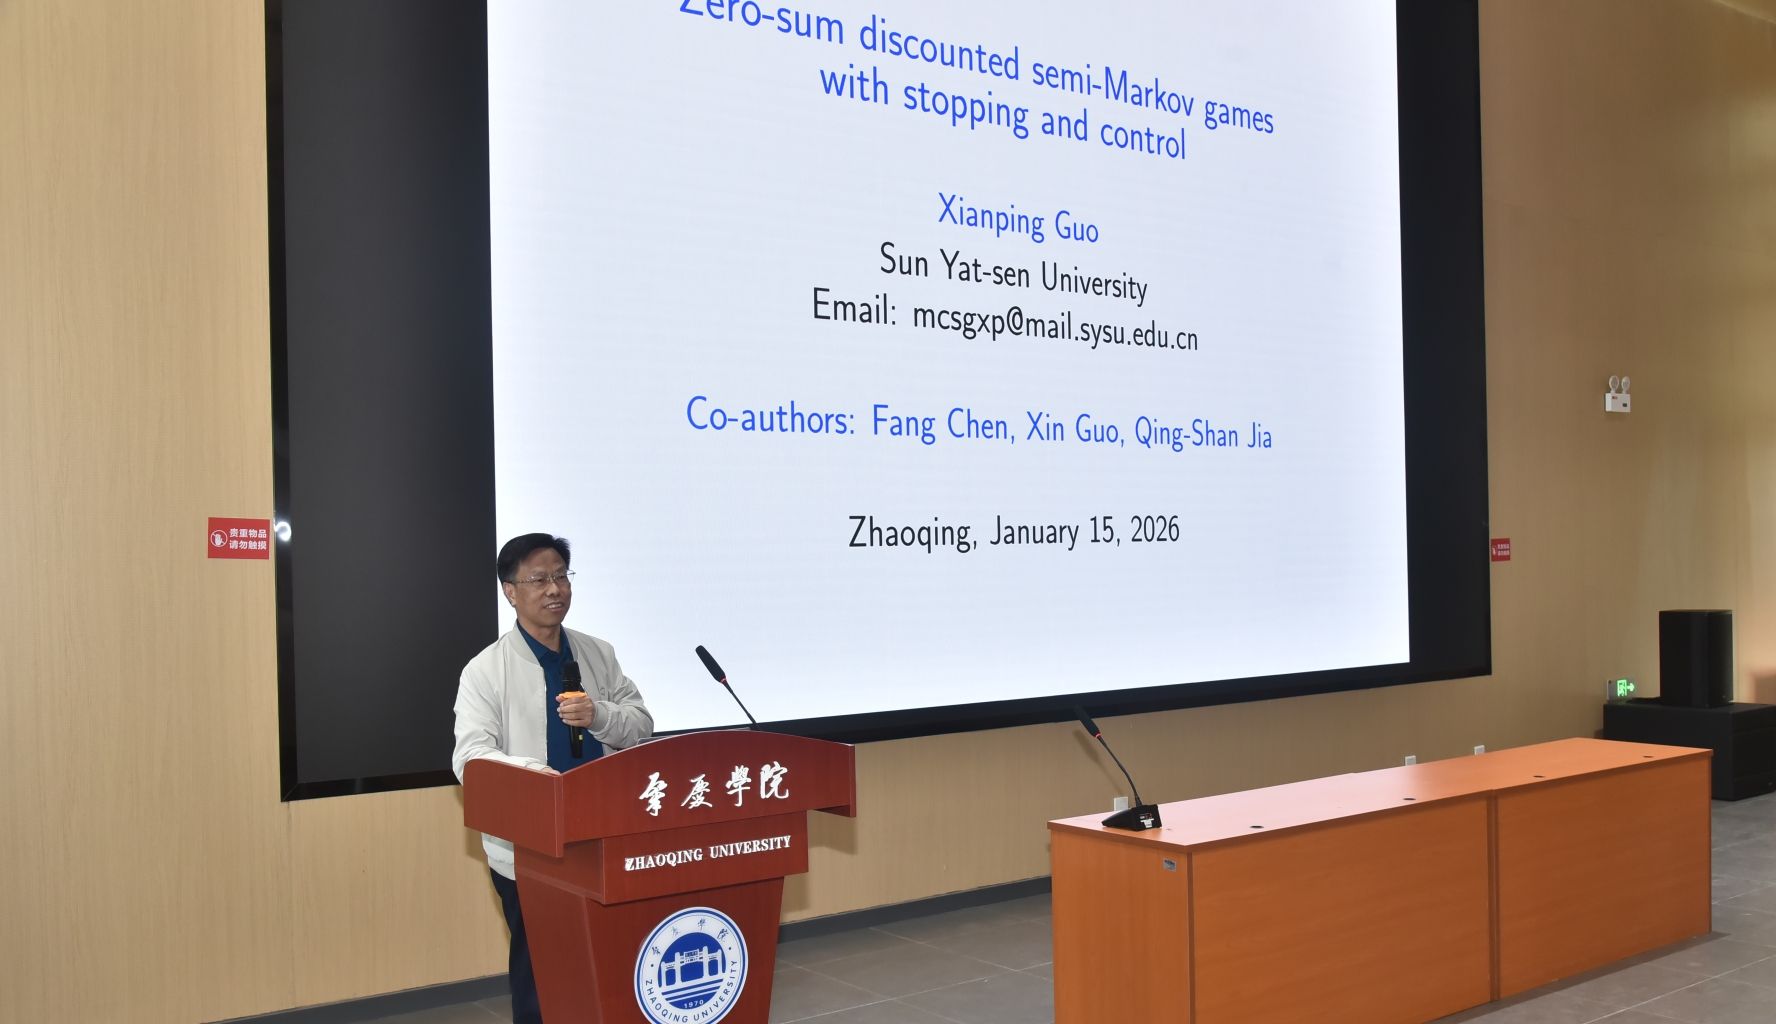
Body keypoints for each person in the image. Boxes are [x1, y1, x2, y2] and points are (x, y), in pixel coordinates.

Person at [452, 533, 653, 1024]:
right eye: (539, 579)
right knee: (540, 972)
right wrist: (542, 783)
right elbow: (471, 758)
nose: (554, 589)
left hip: (602, 835)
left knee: (610, 962)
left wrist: (600, 715)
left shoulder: (598, 654)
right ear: (510, 591)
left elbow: (641, 724)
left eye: (562, 576)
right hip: (531, 846)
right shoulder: (485, 671)